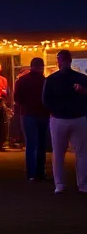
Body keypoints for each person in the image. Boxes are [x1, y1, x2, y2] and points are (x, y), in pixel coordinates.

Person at [41, 50, 87, 193]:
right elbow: (46, 99)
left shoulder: (52, 79)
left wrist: (55, 111)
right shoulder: (80, 78)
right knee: (80, 153)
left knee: (60, 153)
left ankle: (61, 184)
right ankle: (81, 184)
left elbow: (46, 99)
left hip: (61, 118)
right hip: (74, 118)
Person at [12, 58, 49, 182]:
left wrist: (26, 104)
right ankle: (40, 171)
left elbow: (17, 98)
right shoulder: (45, 81)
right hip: (43, 114)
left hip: (28, 114)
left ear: (31, 66)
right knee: (42, 144)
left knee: (31, 144)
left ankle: (31, 173)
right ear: (42, 67)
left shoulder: (22, 80)